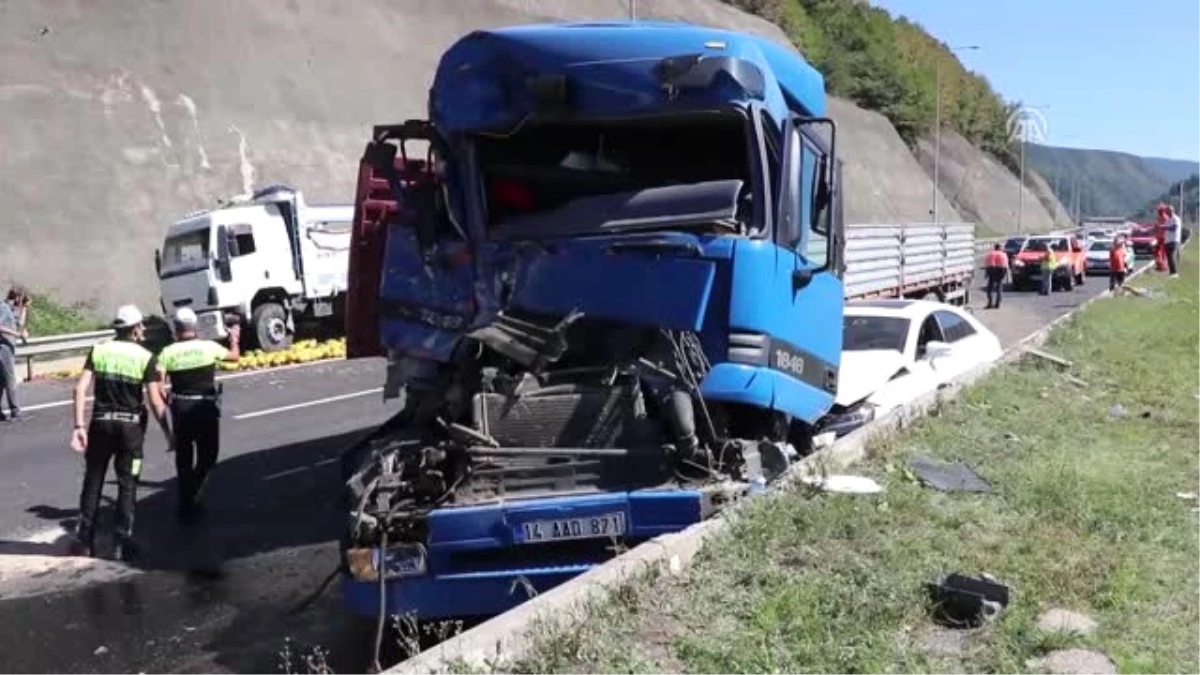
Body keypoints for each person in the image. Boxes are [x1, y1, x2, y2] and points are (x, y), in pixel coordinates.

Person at [70, 305, 171, 560]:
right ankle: (121, 543)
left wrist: (79, 426)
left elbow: (79, 389)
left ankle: (84, 542)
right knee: (127, 484)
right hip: (131, 429)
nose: (143, 329)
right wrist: (170, 434)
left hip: (101, 425)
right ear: (135, 328)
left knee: (93, 481)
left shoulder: (99, 350)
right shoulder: (145, 357)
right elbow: (156, 401)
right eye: (141, 326)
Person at [156, 307, 240, 523]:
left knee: (183, 459)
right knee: (208, 456)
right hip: (205, 409)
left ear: (176, 328)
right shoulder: (208, 347)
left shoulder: (167, 352)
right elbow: (234, 358)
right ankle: (193, 490)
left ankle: (185, 504)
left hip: (181, 411)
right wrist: (234, 339)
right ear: (196, 327)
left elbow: (159, 382)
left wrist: (165, 394)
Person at [0, 286, 31, 422]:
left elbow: (19, 323)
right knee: (10, 379)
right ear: (17, 297)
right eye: (21, 300)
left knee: (1, 382)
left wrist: (24, 308)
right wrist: (16, 334)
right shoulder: (3, 307)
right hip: (3, 348)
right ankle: (15, 411)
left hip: (8, 347)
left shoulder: (10, 309)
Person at [983, 243, 1008, 309]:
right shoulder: (1003, 254)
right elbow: (1005, 266)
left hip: (991, 270)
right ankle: (997, 304)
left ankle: (990, 303)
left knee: (990, 287)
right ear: (1000, 248)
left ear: (995, 247)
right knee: (999, 287)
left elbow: (987, 264)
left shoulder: (990, 254)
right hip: (1000, 270)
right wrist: (1004, 274)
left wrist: (986, 274)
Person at [1161, 204, 1182, 277]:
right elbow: (1165, 228)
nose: (1167, 212)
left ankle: (1175, 273)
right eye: (1167, 211)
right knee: (1169, 257)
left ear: (1172, 211)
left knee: (1171, 256)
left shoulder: (1176, 219)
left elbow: (1174, 228)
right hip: (1168, 240)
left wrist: (1164, 227)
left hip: (1174, 240)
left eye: (1168, 211)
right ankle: (1171, 272)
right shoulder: (1168, 220)